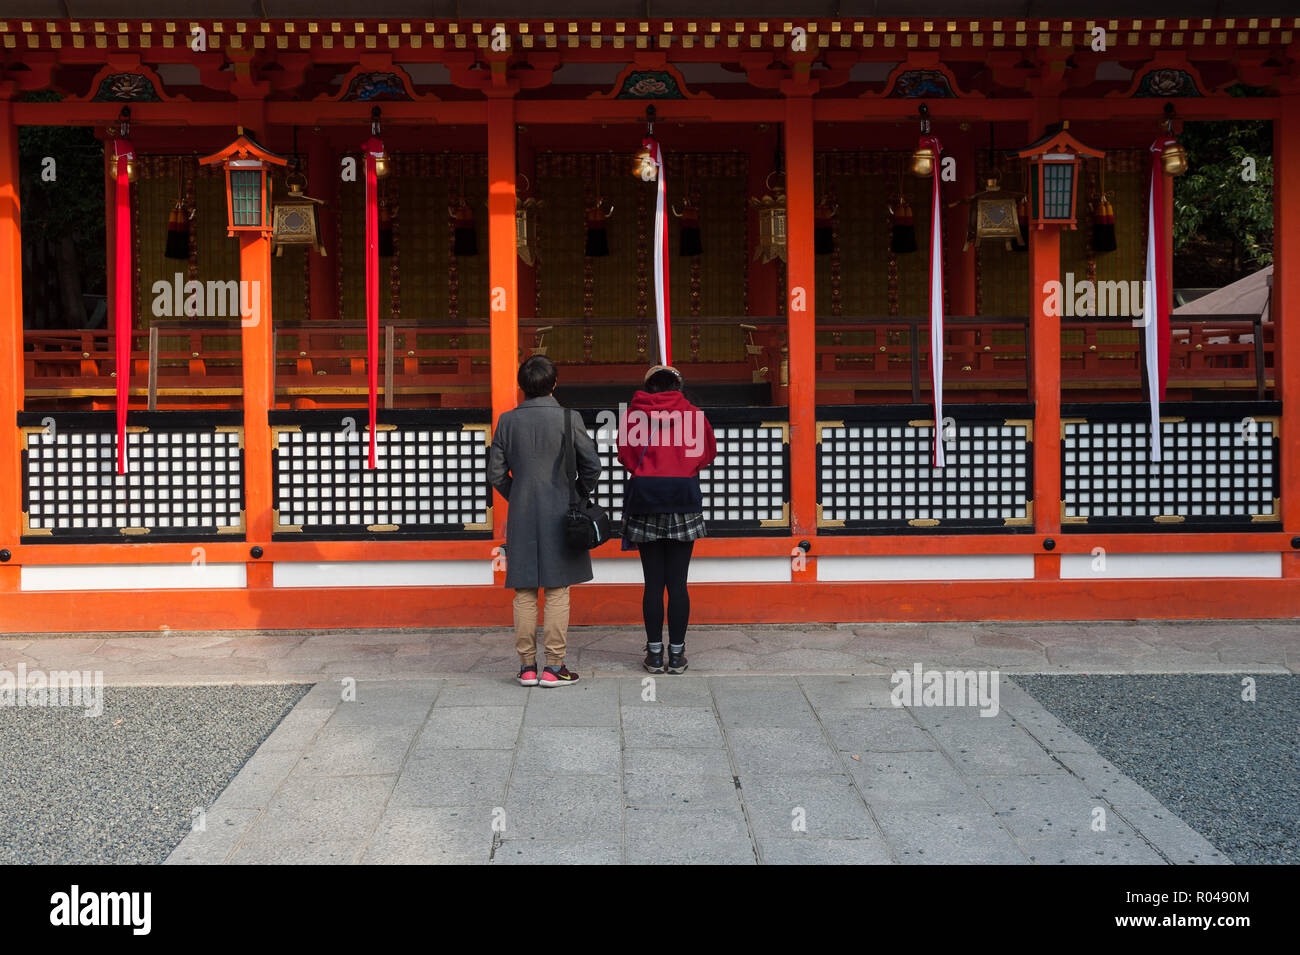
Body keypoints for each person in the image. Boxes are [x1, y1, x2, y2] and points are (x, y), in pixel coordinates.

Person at [488, 355, 601, 688]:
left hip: (522, 514)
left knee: (523, 591)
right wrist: (575, 494)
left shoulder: (507, 421)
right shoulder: (569, 418)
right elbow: (592, 466)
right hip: (561, 513)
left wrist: (520, 493)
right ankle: (554, 667)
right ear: (554, 383)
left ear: (522, 387)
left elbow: (496, 473)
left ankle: (526, 667)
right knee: (557, 589)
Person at [617, 365, 717, 674]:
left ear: (648, 387)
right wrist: (684, 467)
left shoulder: (633, 416)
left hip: (646, 501)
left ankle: (654, 654)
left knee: (652, 583)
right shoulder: (694, 416)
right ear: (678, 386)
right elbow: (708, 453)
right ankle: (677, 654)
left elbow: (625, 456)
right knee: (678, 583)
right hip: (683, 501)